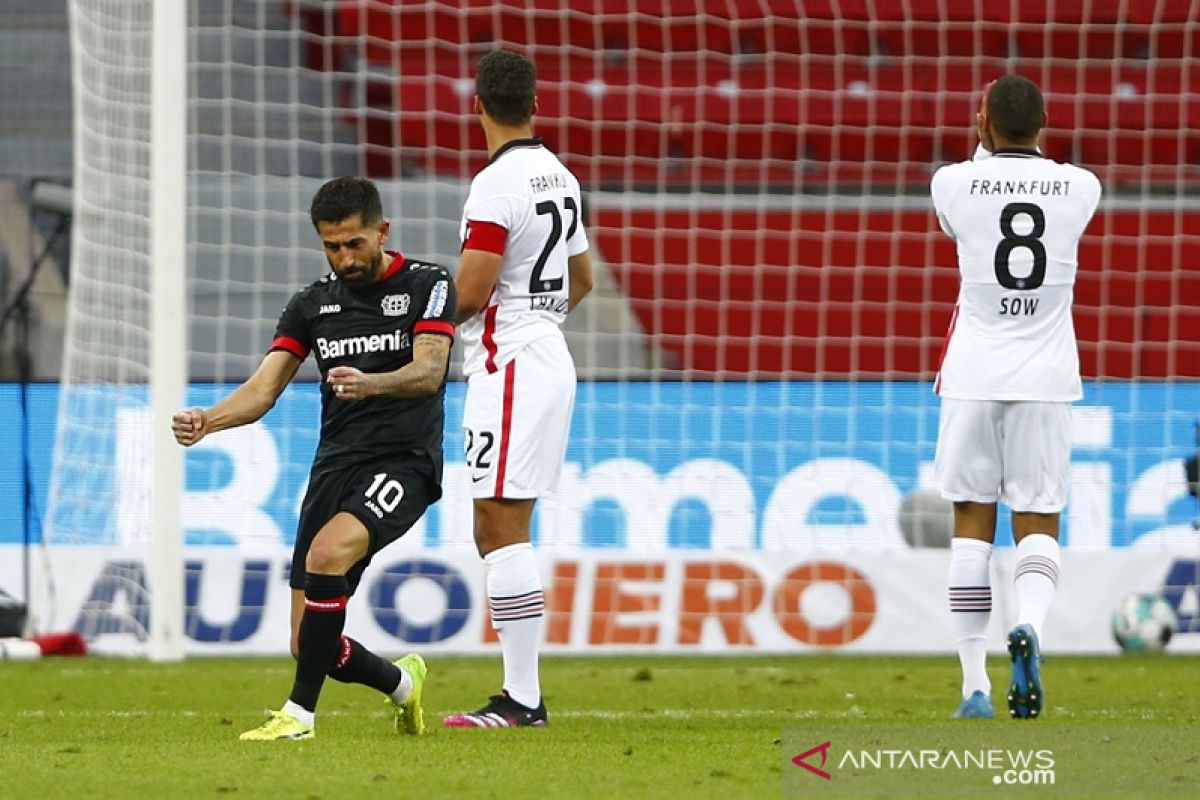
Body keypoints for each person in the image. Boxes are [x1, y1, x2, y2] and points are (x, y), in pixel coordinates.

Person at [172, 176, 457, 740]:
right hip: (335, 465)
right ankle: (402, 683)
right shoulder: (312, 304)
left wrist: (372, 384)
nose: (345, 258)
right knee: (311, 645)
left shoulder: (428, 283)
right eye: (331, 246)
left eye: (354, 243)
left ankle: (299, 716)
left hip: (404, 460)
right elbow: (263, 390)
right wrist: (210, 420)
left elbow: (430, 371)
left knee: (328, 554)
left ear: (383, 231)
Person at [930, 76, 1102, 721]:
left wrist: (982, 148)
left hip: (972, 375)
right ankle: (1029, 626)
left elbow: (966, 200)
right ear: (1046, 122)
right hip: (1045, 377)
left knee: (971, 526)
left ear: (983, 122)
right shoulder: (1081, 187)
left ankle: (973, 686)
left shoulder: (952, 182)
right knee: (1039, 520)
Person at [443, 49, 594, 729]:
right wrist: (539, 319)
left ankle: (523, 699)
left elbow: (472, 291)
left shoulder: (494, 183)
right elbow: (582, 277)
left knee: (499, 528)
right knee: (500, 525)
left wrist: (417, 327)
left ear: (476, 107)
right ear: (535, 104)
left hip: (509, 368)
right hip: (546, 355)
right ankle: (521, 696)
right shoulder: (559, 176)